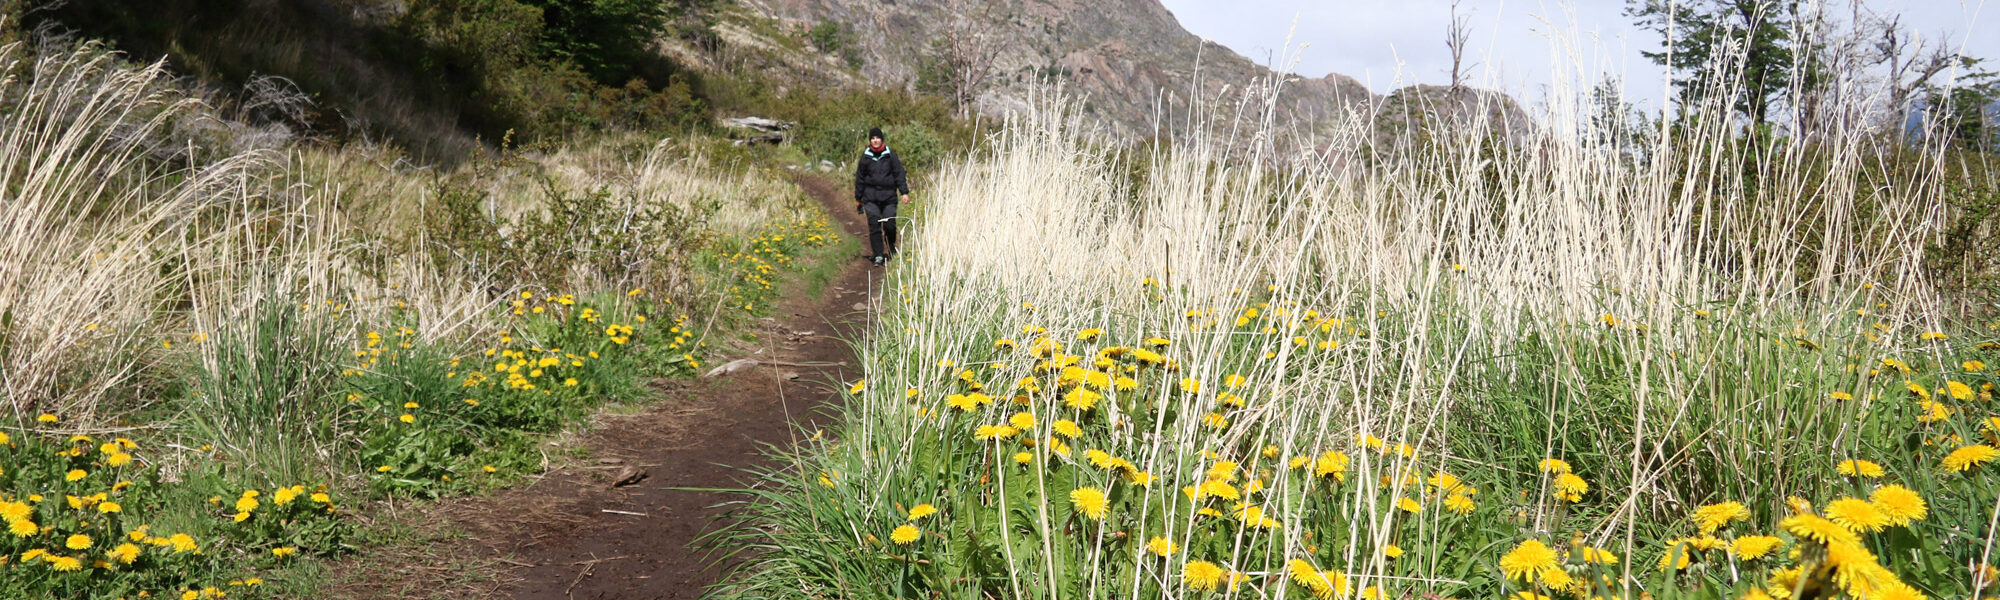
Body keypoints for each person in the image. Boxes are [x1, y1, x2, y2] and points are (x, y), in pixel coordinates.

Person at [854, 127, 909, 265]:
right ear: (870, 141)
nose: (875, 140)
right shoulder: (866, 157)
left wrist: (904, 192)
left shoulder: (890, 155)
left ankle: (891, 249)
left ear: (882, 139)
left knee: (890, 224)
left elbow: (899, 173)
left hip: (889, 197)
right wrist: (858, 198)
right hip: (870, 198)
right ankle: (878, 254)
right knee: (874, 225)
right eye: (873, 138)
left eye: (877, 138)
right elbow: (860, 178)